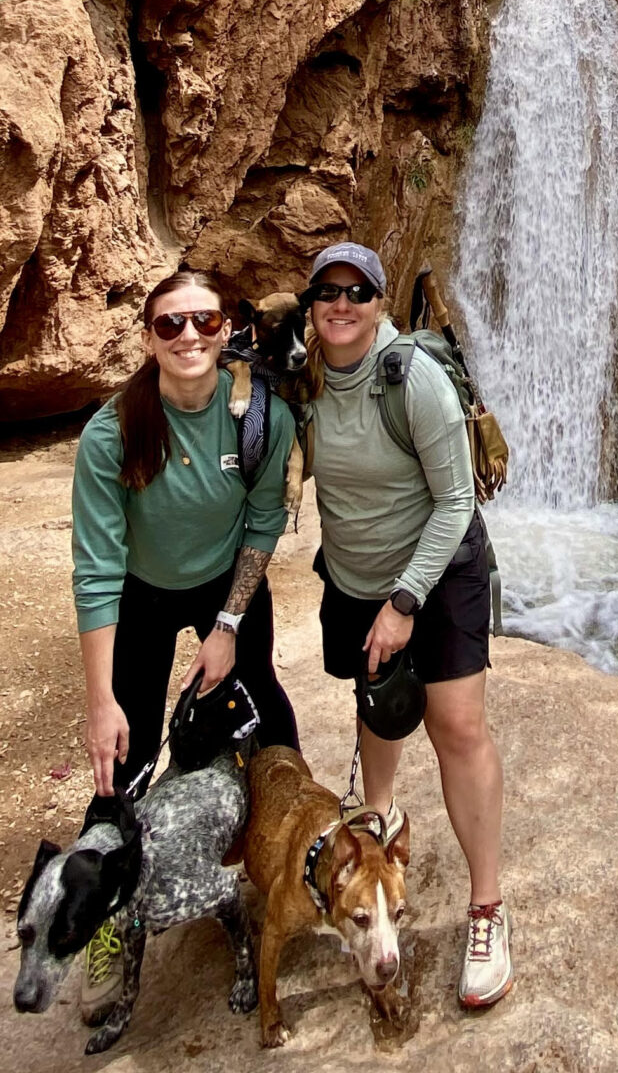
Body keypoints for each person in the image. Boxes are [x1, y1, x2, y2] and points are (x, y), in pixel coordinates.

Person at [69, 263, 298, 1016]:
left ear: (227, 330)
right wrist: (100, 700)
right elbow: (98, 569)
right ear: (148, 338)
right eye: (171, 323)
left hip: (226, 581)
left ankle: (289, 861)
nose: (189, 334)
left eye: (204, 320)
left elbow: (265, 524)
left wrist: (229, 624)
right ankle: (102, 913)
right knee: (122, 757)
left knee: (266, 711)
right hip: (142, 589)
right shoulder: (113, 432)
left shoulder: (259, 418)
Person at [300, 241, 512, 1009]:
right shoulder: (306, 375)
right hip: (358, 577)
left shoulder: (412, 378)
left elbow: (457, 502)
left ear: (381, 303)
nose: (342, 304)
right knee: (380, 709)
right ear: (311, 304)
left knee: (457, 725)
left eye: (358, 291)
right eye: (327, 291)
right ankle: (374, 833)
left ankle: (486, 907)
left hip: (440, 566)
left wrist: (403, 604)